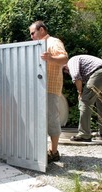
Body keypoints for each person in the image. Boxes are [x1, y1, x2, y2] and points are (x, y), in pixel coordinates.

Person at [29, 21, 68, 163]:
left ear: (42, 30)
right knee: (38, 120)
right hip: (38, 88)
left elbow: (64, 58)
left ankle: (54, 151)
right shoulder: (36, 46)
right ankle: (40, 150)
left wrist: (51, 58)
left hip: (50, 88)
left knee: (52, 118)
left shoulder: (53, 42)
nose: (32, 37)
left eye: (33, 33)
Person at [65, 55, 102, 142]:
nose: (67, 73)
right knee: (100, 103)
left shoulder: (71, 62)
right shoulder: (81, 62)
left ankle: (84, 134)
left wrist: (80, 93)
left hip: (99, 73)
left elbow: (76, 76)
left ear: (65, 67)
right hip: (99, 73)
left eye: (66, 72)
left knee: (85, 102)